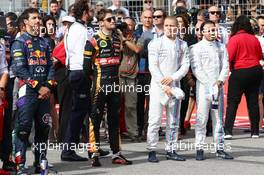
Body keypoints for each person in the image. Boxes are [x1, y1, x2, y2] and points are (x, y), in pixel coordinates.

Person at [11, 8, 56, 174]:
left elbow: (51, 66)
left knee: (43, 128)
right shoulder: (19, 42)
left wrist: (48, 86)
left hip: (44, 92)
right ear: (26, 22)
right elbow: (19, 69)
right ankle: (20, 165)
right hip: (27, 91)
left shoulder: (45, 42)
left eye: (39, 18)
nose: (38, 21)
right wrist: (39, 87)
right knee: (23, 128)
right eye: (34, 18)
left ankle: (40, 163)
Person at [86, 9, 132, 167]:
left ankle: (116, 153)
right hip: (99, 86)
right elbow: (86, 68)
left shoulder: (117, 39)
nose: (113, 21)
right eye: (109, 19)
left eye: (114, 18)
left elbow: (118, 61)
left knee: (114, 120)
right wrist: (97, 81)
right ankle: (94, 153)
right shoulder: (92, 40)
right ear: (101, 23)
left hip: (115, 85)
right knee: (95, 119)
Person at [147, 16, 189, 162]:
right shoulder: (155, 43)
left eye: (173, 26)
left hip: (174, 86)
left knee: (173, 121)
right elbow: (153, 66)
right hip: (158, 88)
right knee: (155, 120)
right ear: (163, 27)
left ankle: (171, 149)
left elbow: (185, 66)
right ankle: (152, 149)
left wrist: (173, 78)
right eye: (167, 26)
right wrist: (164, 85)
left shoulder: (183, 45)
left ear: (178, 27)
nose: (170, 28)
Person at [190, 20, 233, 161]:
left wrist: (220, 81)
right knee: (201, 119)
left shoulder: (221, 47)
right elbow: (196, 69)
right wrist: (211, 85)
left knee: (219, 119)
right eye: (208, 30)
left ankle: (220, 148)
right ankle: (199, 148)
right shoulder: (195, 48)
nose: (211, 32)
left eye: (213, 30)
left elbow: (226, 66)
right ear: (202, 32)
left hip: (218, 88)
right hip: (203, 88)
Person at [60, 0, 96, 162]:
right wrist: (88, 74)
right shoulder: (80, 29)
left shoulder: (73, 28)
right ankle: (68, 151)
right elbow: (86, 55)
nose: (92, 13)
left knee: (89, 111)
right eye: (90, 10)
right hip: (80, 72)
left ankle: (92, 147)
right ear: (85, 12)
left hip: (75, 71)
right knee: (78, 113)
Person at [224, 15, 263, 139]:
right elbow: (259, 56)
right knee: (253, 102)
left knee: (233, 102)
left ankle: (228, 131)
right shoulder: (254, 39)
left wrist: (230, 71)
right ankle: (255, 131)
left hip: (240, 71)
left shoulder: (234, 39)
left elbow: (229, 57)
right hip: (255, 71)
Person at [118, 17, 140, 142]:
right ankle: (112, 132)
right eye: (125, 25)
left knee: (131, 105)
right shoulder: (116, 37)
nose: (127, 27)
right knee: (114, 105)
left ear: (134, 26)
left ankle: (133, 132)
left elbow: (136, 49)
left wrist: (124, 39)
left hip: (131, 76)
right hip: (118, 76)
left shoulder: (138, 37)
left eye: (130, 25)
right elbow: (119, 49)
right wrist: (120, 37)